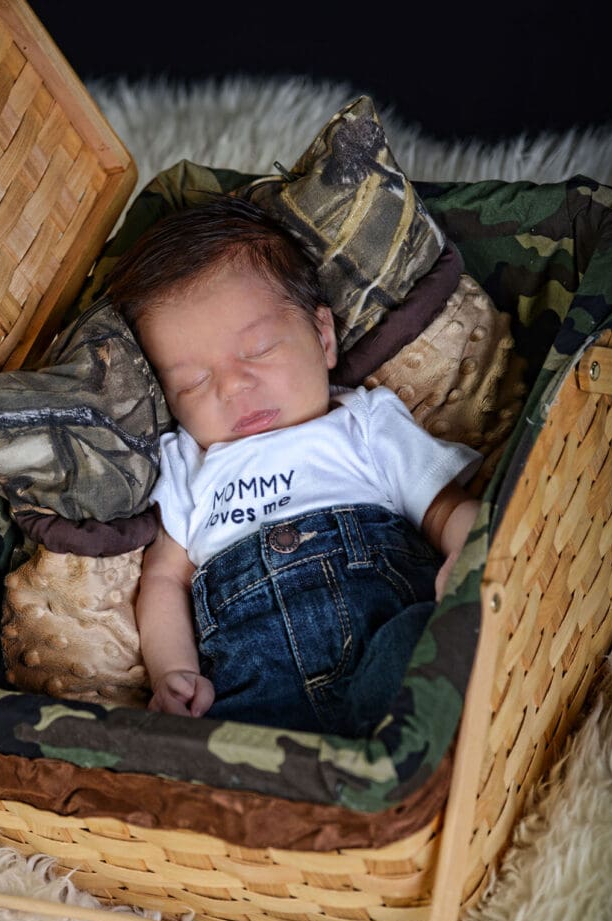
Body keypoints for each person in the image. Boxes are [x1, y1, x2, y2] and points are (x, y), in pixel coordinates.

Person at [109, 196, 481, 737]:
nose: (233, 386)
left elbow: (449, 510)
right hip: (256, 700)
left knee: (429, 647)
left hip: (386, 650)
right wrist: (175, 672)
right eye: (192, 382)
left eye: (257, 350)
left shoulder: (364, 426)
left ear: (324, 337)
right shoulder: (190, 465)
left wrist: (473, 556)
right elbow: (165, 580)